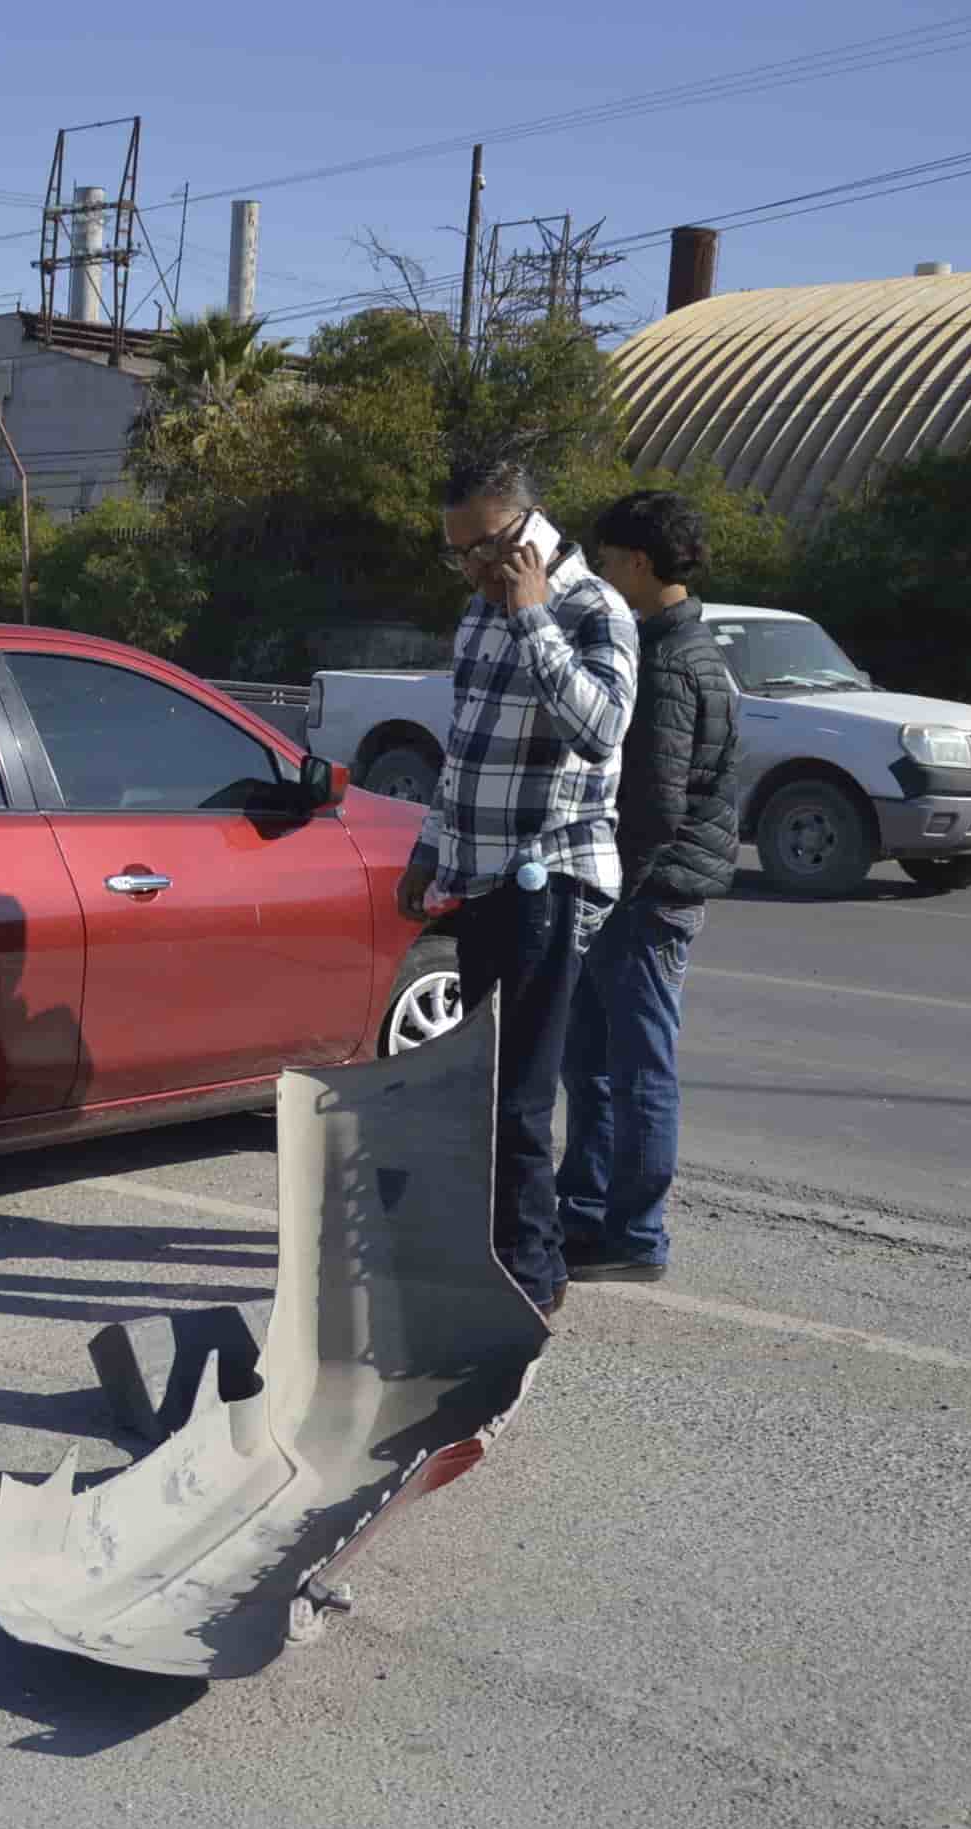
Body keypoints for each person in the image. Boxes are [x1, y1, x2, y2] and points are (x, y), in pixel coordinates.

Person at [395, 460, 638, 1318]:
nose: (470, 569)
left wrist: (534, 616)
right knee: (482, 1081)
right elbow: (464, 753)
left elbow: (602, 729)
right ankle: (505, 1253)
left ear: (531, 529)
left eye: (485, 549)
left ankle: (528, 1278)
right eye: (456, 554)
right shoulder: (477, 612)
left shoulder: (591, 610)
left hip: (551, 879)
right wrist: (428, 849)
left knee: (521, 1091)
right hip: (483, 877)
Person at [561, 492, 741, 1284]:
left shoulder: (669, 660)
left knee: (638, 1072)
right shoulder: (684, 643)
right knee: (592, 1062)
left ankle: (635, 1236)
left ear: (637, 562)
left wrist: (609, 894)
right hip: (646, 891)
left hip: (647, 896)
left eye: (605, 560)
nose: (600, 573)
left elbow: (657, 804)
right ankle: (587, 1212)